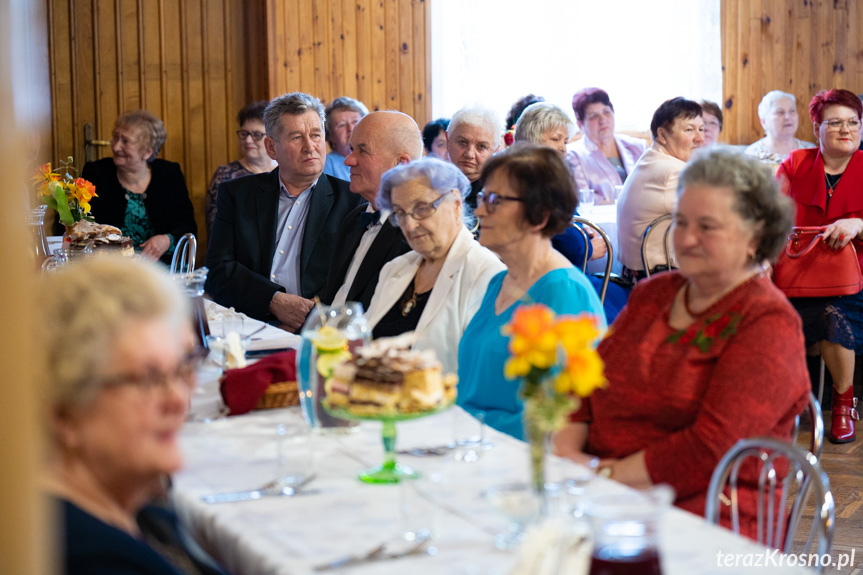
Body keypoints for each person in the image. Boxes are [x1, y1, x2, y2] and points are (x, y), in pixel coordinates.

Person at [554, 149, 809, 541]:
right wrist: (570, 456)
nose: (687, 239)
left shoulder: (767, 322)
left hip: (705, 515)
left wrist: (600, 478)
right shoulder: (654, 293)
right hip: (603, 497)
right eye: (681, 221)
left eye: (707, 226)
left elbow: (710, 449)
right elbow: (587, 381)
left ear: (754, 238)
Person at [39, 256, 228, 575]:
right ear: (64, 412)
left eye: (182, 370)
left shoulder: (138, 514)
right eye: (149, 379)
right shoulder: (87, 557)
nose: (178, 399)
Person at [457, 144, 605, 439]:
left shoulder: (564, 291)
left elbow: (559, 415)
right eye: (483, 197)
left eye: (495, 200)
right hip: (466, 443)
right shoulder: (499, 282)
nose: (481, 209)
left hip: (519, 459)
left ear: (539, 216)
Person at [205, 92, 363, 329]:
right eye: (297, 137)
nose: (310, 147)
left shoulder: (353, 201)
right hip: (249, 322)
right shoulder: (237, 195)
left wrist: (308, 319)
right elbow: (218, 271)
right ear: (271, 147)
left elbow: (355, 278)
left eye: (316, 135)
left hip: (319, 330)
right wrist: (273, 301)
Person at [777, 88, 863, 444]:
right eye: (836, 122)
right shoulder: (795, 163)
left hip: (855, 279)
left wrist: (860, 224)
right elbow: (766, 215)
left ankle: (844, 402)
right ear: (816, 129)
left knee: (832, 313)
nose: (847, 130)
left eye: (854, 122)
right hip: (795, 274)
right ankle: (780, 403)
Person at [366, 158, 504, 373]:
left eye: (421, 208)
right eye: (400, 213)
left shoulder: (486, 273)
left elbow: (482, 371)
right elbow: (365, 344)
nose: (410, 225)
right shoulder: (395, 268)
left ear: (456, 203)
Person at [514, 101, 628, 321]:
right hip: (550, 284)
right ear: (531, 139)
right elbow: (565, 243)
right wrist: (587, 246)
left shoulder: (541, 175)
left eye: (565, 141)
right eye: (555, 139)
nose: (563, 148)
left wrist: (582, 233)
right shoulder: (534, 180)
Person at [320, 111, 422, 312]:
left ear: (400, 164)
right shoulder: (353, 219)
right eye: (351, 149)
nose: (348, 161)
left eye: (362, 151)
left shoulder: (415, 232)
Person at [83, 110, 196, 264]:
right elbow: (80, 225)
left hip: (160, 268)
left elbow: (187, 226)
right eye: (115, 137)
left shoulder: (169, 174)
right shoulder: (96, 173)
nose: (116, 147)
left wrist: (167, 240)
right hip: (108, 268)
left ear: (147, 151)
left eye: (125, 141)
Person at [617, 97, 704, 283]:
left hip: (634, 274)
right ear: (662, 135)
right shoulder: (673, 171)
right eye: (689, 130)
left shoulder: (650, 160)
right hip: (660, 280)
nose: (700, 138)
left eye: (701, 129)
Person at [205, 100, 277, 235]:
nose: (248, 140)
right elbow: (216, 229)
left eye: (256, 134)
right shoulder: (225, 175)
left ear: (271, 139)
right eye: (244, 134)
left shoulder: (286, 172)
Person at [565, 88, 647, 203]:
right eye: (594, 116)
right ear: (580, 124)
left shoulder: (638, 147)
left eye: (606, 112)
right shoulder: (572, 155)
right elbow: (583, 198)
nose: (603, 120)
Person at [446, 105, 503, 208]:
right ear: (448, 140)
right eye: (462, 142)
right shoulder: (431, 186)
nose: (469, 154)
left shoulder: (500, 196)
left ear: (494, 151)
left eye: (481, 146)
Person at [745, 90, 815, 166]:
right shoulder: (752, 155)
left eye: (792, 111)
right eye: (780, 112)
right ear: (764, 122)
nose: (788, 117)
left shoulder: (810, 150)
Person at [323, 96, 368, 181]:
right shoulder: (327, 165)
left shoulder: (375, 158)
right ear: (330, 135)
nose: (350, 128)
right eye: (341, 125)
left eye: (356, 122)